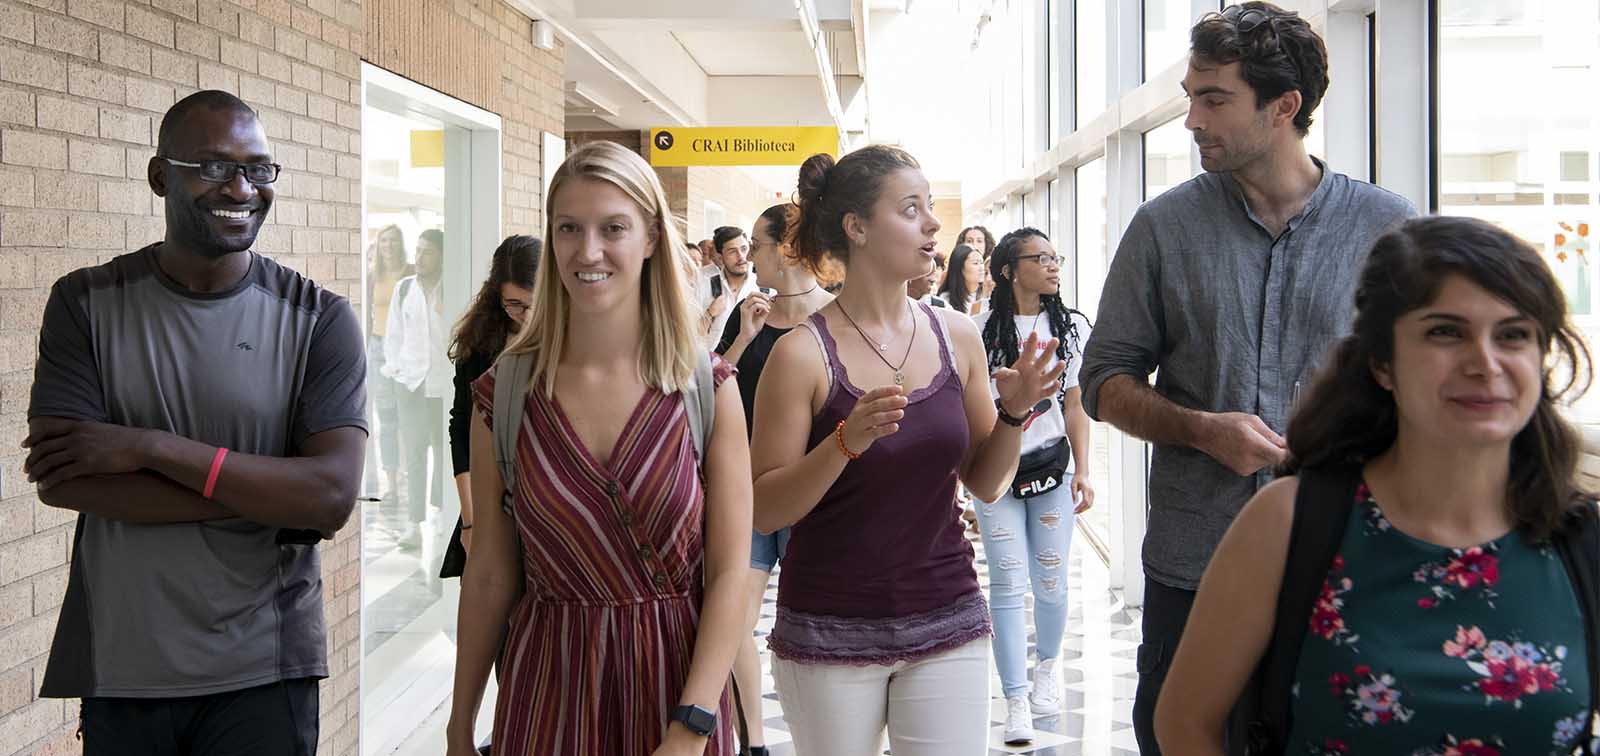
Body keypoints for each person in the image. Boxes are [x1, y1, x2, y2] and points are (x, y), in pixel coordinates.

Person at [1077, 4, 1418, 752]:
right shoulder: (1163, 228)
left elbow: (1423, 392)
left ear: (1284, 106)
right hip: (1193, 565)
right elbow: (1103, 377)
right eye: (1192, 95)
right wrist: (1198, 428)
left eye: (1214, 98)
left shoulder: (1390, 230)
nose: (1192, 119)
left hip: (1346, 560)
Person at [1156, 216, 1600, 755]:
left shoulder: (1578, 538)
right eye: (1445, 332)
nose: (1485, 364)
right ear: (1382, 363)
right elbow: (1185, 722)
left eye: (1513, 335)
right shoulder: (1290, 522)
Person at [23, 90, 366, 755]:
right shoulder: (85, 302)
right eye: (211, 166)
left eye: (259, 168)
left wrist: (145, 446)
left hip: (267, 667)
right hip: (127, 662)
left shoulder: (319, 319)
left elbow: (329, 497)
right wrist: (261, 492)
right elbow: (64, 480)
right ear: (160, 176)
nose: (241, 187)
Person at [748, 146, 1064, 755]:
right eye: (911, 209)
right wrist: (845, 441)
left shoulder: (958, 336)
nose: (932, 224)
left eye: (929, 209)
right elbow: (764, 509)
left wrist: (1014, 413)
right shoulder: (801, 354)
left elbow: (985, 482)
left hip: (947, 614)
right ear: (857, 227)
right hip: (830, 631)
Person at [446, 140, 752, 756]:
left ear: (649, 239)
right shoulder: (503, 396)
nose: (587, 251)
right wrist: (459, 729)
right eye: (568, 228)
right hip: (546, 694)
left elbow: (728, 575)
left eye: (613, 227)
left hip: (679, 690)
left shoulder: (705, 387)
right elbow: (489, 576)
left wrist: (691, 727)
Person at [714, 204, 834, 756]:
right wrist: (742, 339)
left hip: (818, 496)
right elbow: (710, 391)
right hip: (748, 491)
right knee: (735, 612)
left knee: (822, 626)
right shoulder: (747, 312)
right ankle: (753, 741)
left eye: (756, 247)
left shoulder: (836, 316)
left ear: (784, 250)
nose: (748, 258)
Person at [972, 228, 1097, 744]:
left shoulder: (1069, 327)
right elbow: (973, 411)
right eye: (1039, 258)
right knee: (1005, 580)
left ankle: (1047, 669)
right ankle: (1015, 698)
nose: (1052, 265)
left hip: (1054, 470)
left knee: (1050, 578)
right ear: (1009, 269)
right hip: (997, 476)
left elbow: (1076, 405)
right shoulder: (979, 330)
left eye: (1055, 256)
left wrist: (1085, 470)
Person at [440, 235, 539, 569]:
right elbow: (461, 427)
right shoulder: (482, 345)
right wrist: (470, 522)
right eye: (514, 304)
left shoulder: (574, 339)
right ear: (497, 297)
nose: (526, 315)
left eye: (535, 303)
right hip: (490, 499)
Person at [383, 228, 449, 548]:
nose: (419, 257)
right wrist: (396, 369)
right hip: (409, 381)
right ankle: (414, 522)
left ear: (441, 256)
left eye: (428, 252)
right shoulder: (404, 288)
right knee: (414, 453)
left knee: (443, 450)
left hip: (441, 382)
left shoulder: (451, 288)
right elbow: (393, 333)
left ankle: (440, 512)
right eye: (418, 250)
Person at [366, 224, 411, 498]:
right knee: (387, 417)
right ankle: (392, 479)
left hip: (407, 350)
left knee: (407, 416)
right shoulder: (373, 276)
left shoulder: (411, 273)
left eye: (393, 241)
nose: (389, 246)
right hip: (378, 347)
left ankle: (407, 471)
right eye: (384, 241)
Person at [699, 225, 760, 347]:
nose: (741, 256)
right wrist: (709, 314)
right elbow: (688, 334)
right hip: (711, 362)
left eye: (744, 249)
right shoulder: (703, 286)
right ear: (721, 258)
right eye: (732, 251)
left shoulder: (761, 287)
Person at [938, 242, 985, 316]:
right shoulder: (945, 300)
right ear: (960, 268)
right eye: (975, 263)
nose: (981, 268)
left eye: (982, 263)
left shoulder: (986, 294)